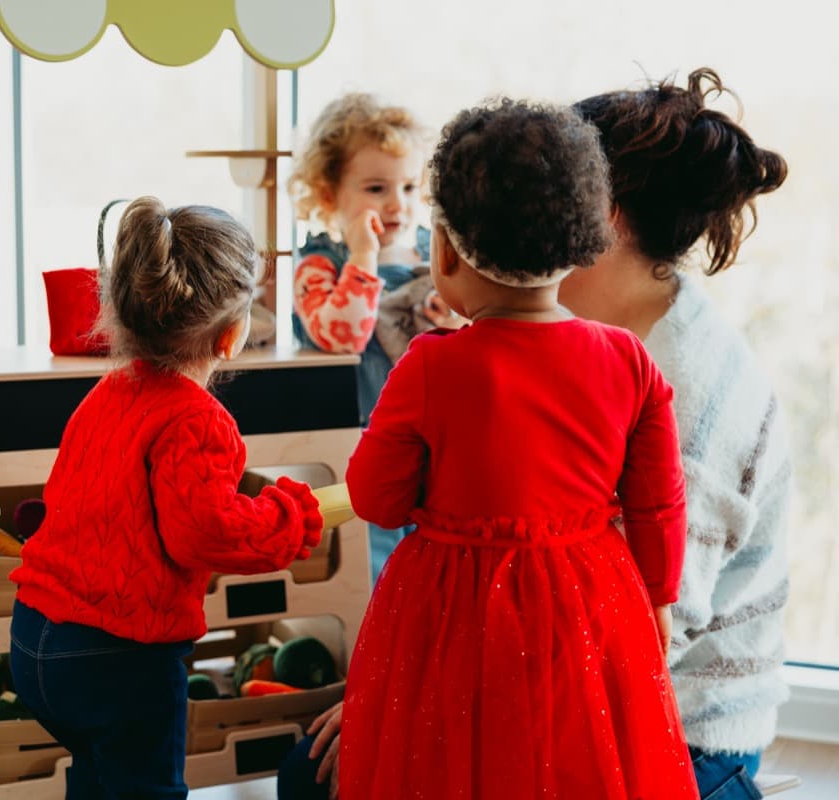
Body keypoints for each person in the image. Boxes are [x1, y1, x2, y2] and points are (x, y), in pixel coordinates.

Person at [339, 99, 696, 798]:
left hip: (452, 610)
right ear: (589, 241)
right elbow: (659, 502)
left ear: (444, 250)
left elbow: (373, 498)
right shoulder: (628, 359)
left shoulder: (430, 367)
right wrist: (655, 600)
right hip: (592, 603)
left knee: (451, 766)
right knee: (577, 763)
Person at [8, 196, 324, 799]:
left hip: (37, 642)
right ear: (232, 337)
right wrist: (289, 516)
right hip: (117, 656)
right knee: (147, 787)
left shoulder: (109, 392)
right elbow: (207, 531)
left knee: (99, 779)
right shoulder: (196, 419)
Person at [561, 68, 791, 799]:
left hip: (683, 739)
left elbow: (638, 644)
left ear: (604, 216)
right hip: (596, 697)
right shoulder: (589, 337)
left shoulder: (687, 389)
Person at [288, 92, 461, 580]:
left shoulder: (435, 255)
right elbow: (342, 334)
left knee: (440, 554)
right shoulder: (322, 263)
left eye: (409, 187)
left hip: (438, 442)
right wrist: (363, 256)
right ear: (328, 194)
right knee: (375, 556)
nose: (397, 205)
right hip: (364, 442)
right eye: (376, 188)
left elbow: (475, 329)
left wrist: (452, 319)